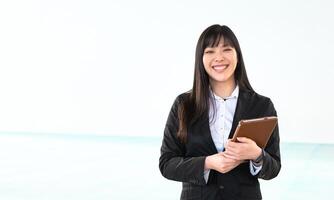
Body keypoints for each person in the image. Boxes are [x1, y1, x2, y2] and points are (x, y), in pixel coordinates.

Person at [159, 24, 281, 200]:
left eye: (226, 49)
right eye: (210, 51)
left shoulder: (262, 105)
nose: (219, 57)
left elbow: (274, 168)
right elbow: (166, 164)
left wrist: (256, 155)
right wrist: (207, 163)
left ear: (237, 55)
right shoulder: (184, 105)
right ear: (200, 58)